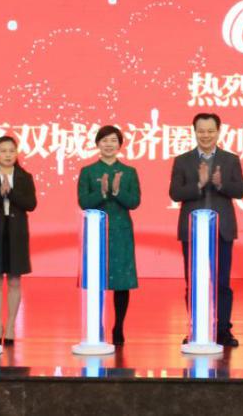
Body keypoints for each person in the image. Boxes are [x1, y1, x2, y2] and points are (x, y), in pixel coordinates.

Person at [169, 112, 243, 347]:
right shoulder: (182, 160)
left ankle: (223, 330)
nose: (206, 135)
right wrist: (199, 184)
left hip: (222, 230)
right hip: (193, 232)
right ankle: (196, 328)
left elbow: (240, 191)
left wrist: (221, 184)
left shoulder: (230, 159)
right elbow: (175, 193)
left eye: (210, 131)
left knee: (222, 283)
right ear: (194, 132)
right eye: (201, 131)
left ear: (218, 132)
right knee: (194, 282)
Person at [77, 125, 140, 345]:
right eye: (104, 140)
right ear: (97, 144)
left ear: (120, 144)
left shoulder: (129, 172)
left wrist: (117, 191)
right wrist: (102, 192)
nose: (109, 145)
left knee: (122, 282)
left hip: (121, 232)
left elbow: (134, 202)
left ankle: (119, 326)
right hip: (96, 233)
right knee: (97, 281)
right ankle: (97, 324)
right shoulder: (88, 171)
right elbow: (84, 202)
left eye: (113, 140)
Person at [0, 135, 38, 346]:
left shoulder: (24, 177)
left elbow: (31, 204)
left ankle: (10, 325)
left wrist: (10, 193)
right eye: (3, 151)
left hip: (17, 233)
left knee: (14, 281)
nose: (8, 155)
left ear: (16, 153)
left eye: (11, 151)